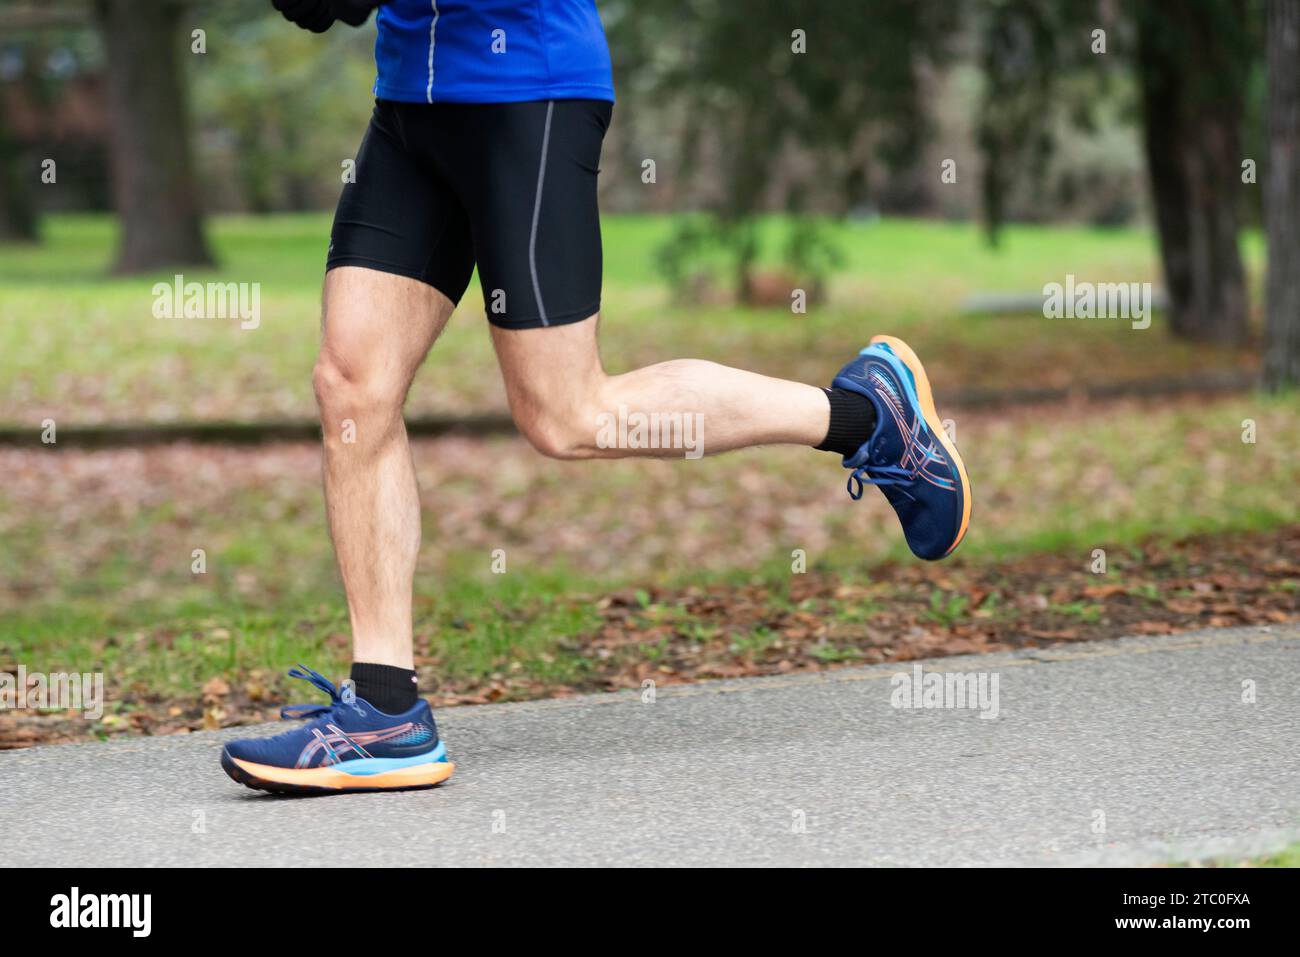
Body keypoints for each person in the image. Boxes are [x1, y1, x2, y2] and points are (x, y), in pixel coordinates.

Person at [221, 0, 972, 795]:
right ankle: (387, 711)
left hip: (527, 95)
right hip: (410, 105)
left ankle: (865, 415)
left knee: (567, 414)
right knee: (351, 385)